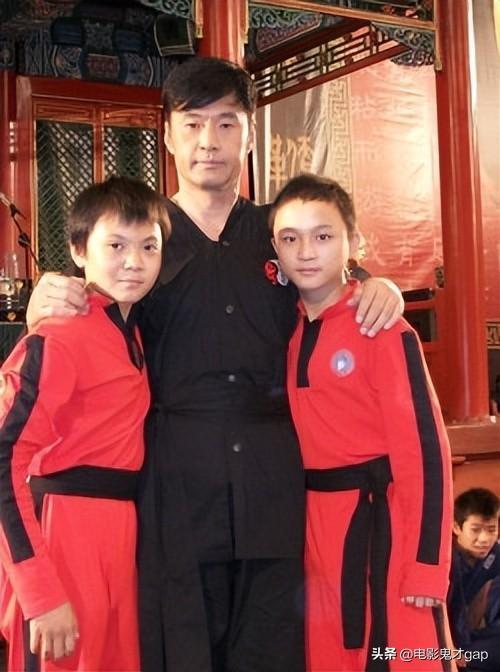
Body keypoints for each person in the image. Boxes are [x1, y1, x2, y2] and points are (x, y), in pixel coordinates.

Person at [26, 58, 405, 672]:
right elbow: (88, 308)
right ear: (168, 135)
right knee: (181, 646)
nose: (210, 141)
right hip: (174, 480)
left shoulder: (278, 230)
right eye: (193, 124)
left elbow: (332, 277)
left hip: (273, 479)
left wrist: (376, 282)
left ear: (249, 134)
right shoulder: (143, 237)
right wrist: (47, 297)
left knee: (272, 645)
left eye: (227, 124)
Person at [270, 174, 454, 672]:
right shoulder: (283, 330)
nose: (306, 251)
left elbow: (426, 453)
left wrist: (427, 565)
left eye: (323, 236)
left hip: (386, 532)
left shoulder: (383, 327)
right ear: (275, 253)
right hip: (315, 539)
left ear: (353, 241)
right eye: (290, 238)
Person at [0, 176, 168, 671]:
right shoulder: (58, 335)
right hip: (62, 537)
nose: (134, 261)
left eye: (149, 246)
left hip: (119, 537)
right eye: (116, 245)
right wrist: (39, 591)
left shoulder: (131, 330)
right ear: (78, 250)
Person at [447, 488, 500, 671]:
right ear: (456, 527)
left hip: (474, 643)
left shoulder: (495, 555)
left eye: (492, 530)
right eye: (475, 530)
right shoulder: (444, 560)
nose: (484, 539)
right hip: (442, 643)